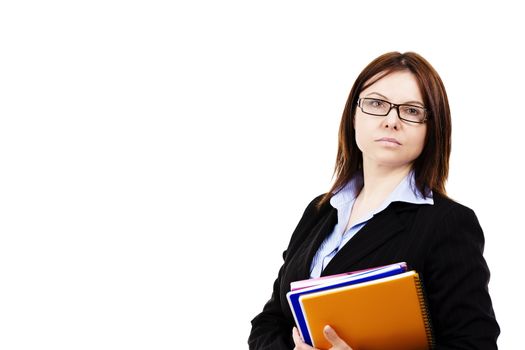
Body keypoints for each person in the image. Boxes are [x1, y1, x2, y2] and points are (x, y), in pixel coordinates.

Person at [248, 51, 500, 349]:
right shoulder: (320, 211)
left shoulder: (449, 223)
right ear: (353, 116)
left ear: (432, 129)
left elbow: (475, 345)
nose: (391, 120)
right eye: (377, 104)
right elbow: (269, 322)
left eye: (412, 111)